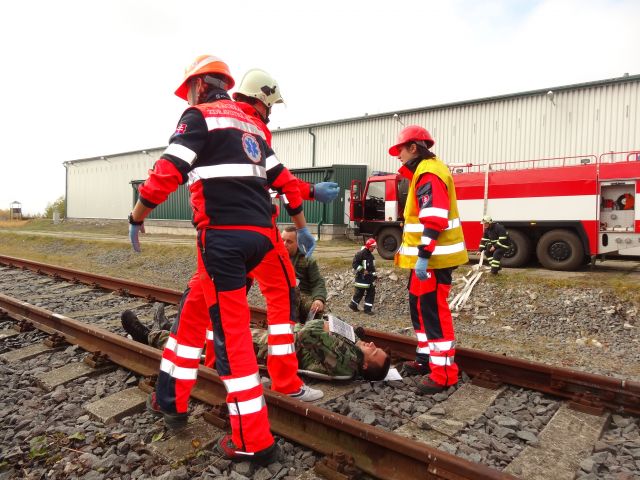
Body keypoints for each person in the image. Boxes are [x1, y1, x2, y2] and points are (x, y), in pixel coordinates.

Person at [127, 54, 307, 465]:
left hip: (221, 241)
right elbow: (283, 180)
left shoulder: (199, 116)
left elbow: (168, 170)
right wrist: (301, 224)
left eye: (188, 91)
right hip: (259, 239)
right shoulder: (251, 126)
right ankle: (169, 400)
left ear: (198, 86)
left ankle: (253, 440)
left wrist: (137, 215)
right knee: (192, 314)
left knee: (232, 340)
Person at [200, 69, 337, 398]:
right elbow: (277, 179)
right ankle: (285, 381)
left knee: (216, 304)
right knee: (283, 295)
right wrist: (310, 197)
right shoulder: (252, 127)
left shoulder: (215, 121)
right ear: (261, 100)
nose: (271, 113)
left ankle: (213, 367)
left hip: (216, 233)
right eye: (271, 105)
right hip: (257, 232)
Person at [390, 125, 469, 395]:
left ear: (413, 148)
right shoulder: (424, 172)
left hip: (433, 261)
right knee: (420, 308)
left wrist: (424, 256)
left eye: (400, 149)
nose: (398, 155)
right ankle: (425, 359)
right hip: (426, 262)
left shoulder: (429, 172)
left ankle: (444, 374)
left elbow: (434, 218)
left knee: (433, 312)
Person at [121, 310, 391, 382]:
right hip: (271, 341)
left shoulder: (347, 363)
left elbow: (311, 331)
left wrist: (332, 328)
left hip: (262, 350)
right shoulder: (351, 354)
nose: (372, 344)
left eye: (374, 351)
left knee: (208, 344)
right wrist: (349, 334)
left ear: (367, 365)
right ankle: (170, 327)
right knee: (216, 331)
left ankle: (149, 336)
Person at [281, 225, 327, 322]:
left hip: (303, 296)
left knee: (318, 310)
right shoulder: (277, 259)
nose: (284, 244)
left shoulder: (307, 260)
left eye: (289, 241)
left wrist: (319, 299)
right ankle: (292, 324)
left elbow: (317, 282)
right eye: (282, 240)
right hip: (282, 296)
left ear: (298, 243)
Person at [349, 238, 377, 315]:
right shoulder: (360, 254)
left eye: (374, 247)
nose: (374, 249)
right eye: (373, 247)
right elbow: (354, 264)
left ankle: (366, 309)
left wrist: (375, 276)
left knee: (370, 292)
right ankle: (354, 305)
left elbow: (372, 268)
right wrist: (362, 270)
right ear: (369, 246)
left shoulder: (371, 257)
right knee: (360, 293)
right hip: (362, 278)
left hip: (369, 278)